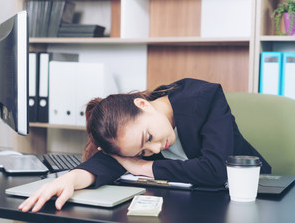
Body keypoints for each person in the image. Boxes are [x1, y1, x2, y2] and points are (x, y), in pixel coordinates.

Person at [19, 78, 271, 212]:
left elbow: (216, 170)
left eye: (148, 138)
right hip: (196, 206)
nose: (155, 149)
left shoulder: (205, 98)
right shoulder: (135, 135)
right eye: (142, 153)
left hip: (255, 199)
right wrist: (68, 180)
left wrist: (142, 167)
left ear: (142, 104)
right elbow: (108, 161)